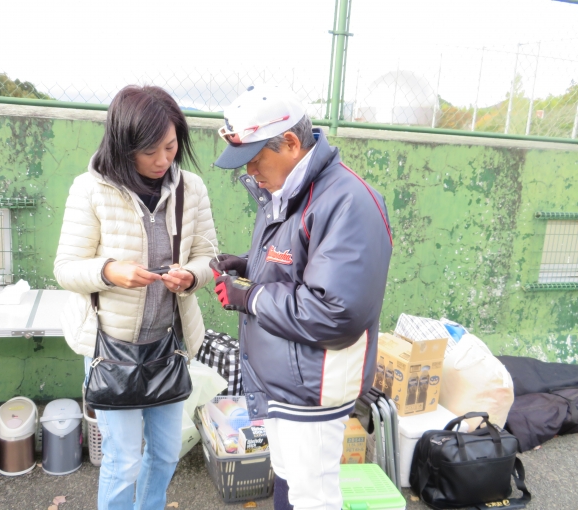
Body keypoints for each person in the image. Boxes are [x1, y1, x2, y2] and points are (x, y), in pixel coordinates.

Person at [210, 85, 393, 510]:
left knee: (314, 497)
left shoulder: (348, 201)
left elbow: (335, 312)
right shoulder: (286, 189)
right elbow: (294, 265)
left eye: (256, 158)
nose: (250, 170)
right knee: (289, 480)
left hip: (313, 385)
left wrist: (250, 296)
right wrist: (248, 266)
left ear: (291, 143)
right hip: (282, 380)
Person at [54, 85, 217, 510]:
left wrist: (190, 276)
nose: (163, 160)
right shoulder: (90, 189)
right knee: (123, 460)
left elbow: (209, 257)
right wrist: (110, 271)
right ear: (124, 146)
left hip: (166, 345)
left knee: (165, 454)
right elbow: (66, 268)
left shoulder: (192, 189)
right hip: (113, 349)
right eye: (150, 151)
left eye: (171, 146)